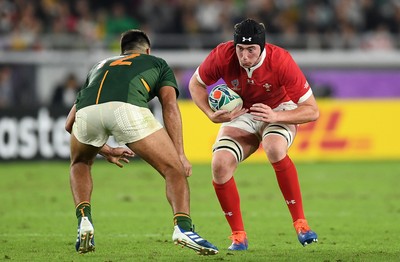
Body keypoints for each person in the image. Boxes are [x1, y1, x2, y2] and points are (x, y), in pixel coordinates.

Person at [65, 29, 218, 255]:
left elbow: (70, 124)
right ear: (147, 50)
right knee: (173, 170)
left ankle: (84, 219)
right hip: (126, 109)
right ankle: (183, 228)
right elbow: (170, 106)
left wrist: (103, 149)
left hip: (86, 113)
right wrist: (180, 154)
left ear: (122, 52)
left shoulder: (99, 66)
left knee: (80, 163)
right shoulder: (157, 62)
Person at [188, 18, 319, 250]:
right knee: (219, 164)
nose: (244, 55)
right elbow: (196, 84)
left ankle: (301, 224)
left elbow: (312, 111)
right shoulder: (222, 55)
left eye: (251, 49)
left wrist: (275, 117)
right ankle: (238, 236)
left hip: (279, 108)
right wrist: (209, 113)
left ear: (262, 48)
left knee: (274, 147)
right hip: (242, 112)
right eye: (240, 48)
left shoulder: (281, 61)